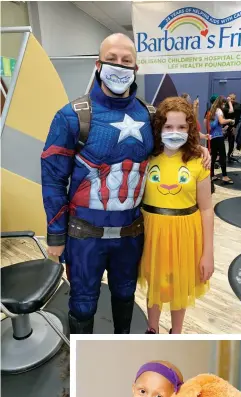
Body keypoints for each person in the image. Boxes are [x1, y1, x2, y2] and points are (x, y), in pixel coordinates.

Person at [41, 33, 211, 335]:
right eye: (112, 59)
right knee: (82, 303)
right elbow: (53, 177)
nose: (119, 66)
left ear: (136, 68)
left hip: (131, 235)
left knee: (124, 296)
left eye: (127, 61)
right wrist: (55, 234)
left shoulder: (149, 116)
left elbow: (174, 147)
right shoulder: (71, 116)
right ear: (98, 64)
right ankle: (83, 364)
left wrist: (199, 150)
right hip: (84, 236)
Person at [139, 97, 214, 334]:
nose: (175, 132)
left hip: (184, 234)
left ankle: (177, 332)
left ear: (190, 128)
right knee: (155, 284)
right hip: (151, 232)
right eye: (168, 127)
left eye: (182, 127)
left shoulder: (197, 161)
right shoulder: (147, 157)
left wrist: (208, 253)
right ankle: (152, 329)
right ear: (159, 127)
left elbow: (206, 208)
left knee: (178, 285)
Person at [208, 96, 235, 184]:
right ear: (221, 103)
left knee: (213, 156)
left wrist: (222, 129)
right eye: (224, 104)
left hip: (213, 136)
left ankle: (211, 175)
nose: (224, 106)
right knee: (222, 155)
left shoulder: (212, 110)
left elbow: (213, 125)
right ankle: (225, 176)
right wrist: (230, 120)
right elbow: (222, 121)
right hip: (218, 137)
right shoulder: (219, 110)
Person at [224, 93, 241, 162]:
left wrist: (234, 127)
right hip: (224, 125)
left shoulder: (238, 106)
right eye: (230, 98)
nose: (232, 100)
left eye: (233, 99)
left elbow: (237, 117)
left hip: (232, 126)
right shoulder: (225, 105)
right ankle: (219, 155)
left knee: (231, 142)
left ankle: (229, 155)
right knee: (220, 141)